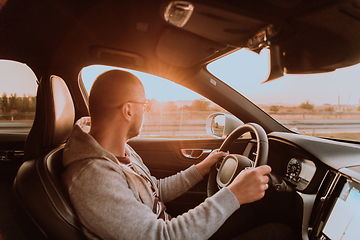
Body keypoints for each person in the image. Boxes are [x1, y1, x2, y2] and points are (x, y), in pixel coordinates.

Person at [62, 69, 296, 239]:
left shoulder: (119, 151)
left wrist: (202, 168)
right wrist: (234, 194)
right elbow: (162, 237)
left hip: (171, 228)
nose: (147, 111)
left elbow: (155, 190)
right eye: (146, 106)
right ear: (128, 110)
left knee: (253, 214)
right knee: (281, 233)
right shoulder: (93, 176)